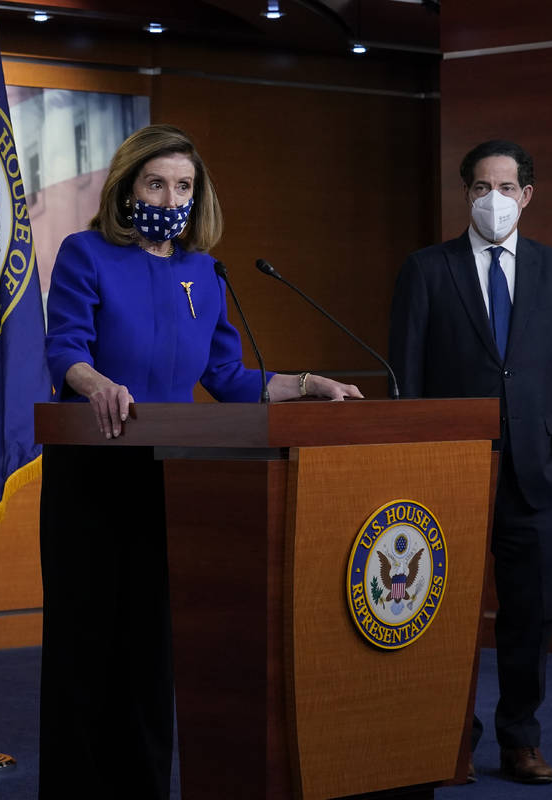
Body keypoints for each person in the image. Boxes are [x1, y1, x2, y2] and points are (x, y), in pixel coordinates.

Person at [38, 124, 361, 799]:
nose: (170, 195)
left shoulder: (202, 272)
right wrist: (98, 384)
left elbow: (231, 378)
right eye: (156, 182)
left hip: (177, 476)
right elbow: (65, 348)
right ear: (127, 187)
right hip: (96, 472)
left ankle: (146, 785)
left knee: (154, 646)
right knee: (91, 642)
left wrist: (310, 384)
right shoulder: (85, 253)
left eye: (183, 185)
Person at [389, 140, 552, 784]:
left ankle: (519, 738)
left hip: (538, 472)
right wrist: (412, 463)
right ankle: (451, 735)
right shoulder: (426, 269)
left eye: (505, 188)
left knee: (531, 613)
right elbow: (406, 376)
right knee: (446, 613)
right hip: (451, 471)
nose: (493, 200)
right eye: (480, 188)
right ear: (465, 194)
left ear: (526, 196)